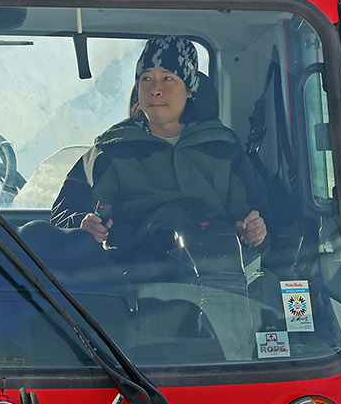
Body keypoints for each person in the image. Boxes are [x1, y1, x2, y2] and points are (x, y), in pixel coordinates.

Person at [53, 35, 267, 256]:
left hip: (218, 275)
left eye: (167, 78)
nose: (155, 89)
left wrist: (256, 233)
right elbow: (62, 216)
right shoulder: (112, 149)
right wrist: (81, 225)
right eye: (146, 78)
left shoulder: (224, 148)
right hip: (134, 277)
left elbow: (263, 221)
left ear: (189, 89)